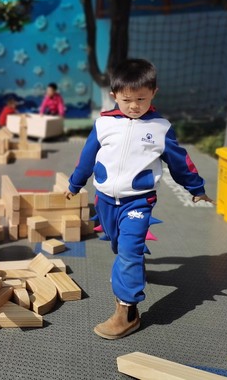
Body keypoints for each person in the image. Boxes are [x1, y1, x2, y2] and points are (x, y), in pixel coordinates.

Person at [64, 59, 213, 340]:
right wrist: (74, 183)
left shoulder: (160, 128)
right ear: (114, 96)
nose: (134, 106)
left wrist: (196, 188)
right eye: (127, 100)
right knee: (119, 245)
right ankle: (133, 268)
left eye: (141, 99)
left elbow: (180, 162)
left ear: (154, 93)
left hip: (138, 202)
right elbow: (87, 157)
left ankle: (127, 313)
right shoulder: (104, 124)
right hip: (105, 200)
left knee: (129, 251)